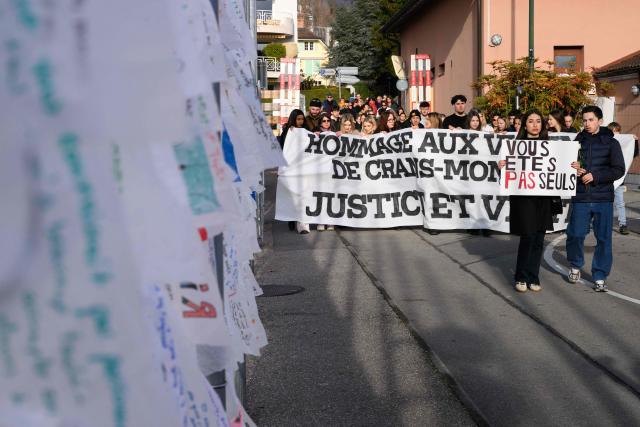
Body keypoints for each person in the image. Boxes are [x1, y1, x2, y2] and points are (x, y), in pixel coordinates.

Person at [567, 106, 626, 292]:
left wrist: (595, 176)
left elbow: (618, 170)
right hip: (581, 196)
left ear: (599, 121)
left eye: (590, 120)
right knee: (575, 234)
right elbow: (567, 166)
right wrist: (574, 167)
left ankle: (600, 275)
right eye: (584, 120)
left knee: (603, 239)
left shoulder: (611, 143)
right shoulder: (577, 141)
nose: (586, 123)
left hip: (603, 198)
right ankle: (575, 265)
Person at [498, 109, 557, 292]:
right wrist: (501, 167)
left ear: (543, 124)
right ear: (524, 125)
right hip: (524, 199)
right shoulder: (516, 146)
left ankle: (534, 276)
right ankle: (521, 276)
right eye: (530, 121)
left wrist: (572, 166)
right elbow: (508, 175)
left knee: (539, 238)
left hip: (543, 198)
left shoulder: (551, 146)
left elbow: (558, 169)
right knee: (528, 236)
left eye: (538, 121)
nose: (534, 124)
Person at [607, 122, 629, 235]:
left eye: (618, 131)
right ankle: (604, 224)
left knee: (620, 203)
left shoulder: (624, 142)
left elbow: (632, 154)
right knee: (606, 203)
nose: (616, 133)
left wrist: (633, 141)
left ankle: (623, 224)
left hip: (619, 180)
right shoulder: (606, 142)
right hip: (607, 178)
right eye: (614, 131)